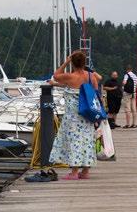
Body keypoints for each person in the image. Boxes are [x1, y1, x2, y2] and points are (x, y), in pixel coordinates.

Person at [49, 51, 98, 180]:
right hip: (87, 114)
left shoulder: (70, 77)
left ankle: (74, 172)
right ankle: (86, 171)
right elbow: (95, 91)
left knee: (74, 141)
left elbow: (56, 75)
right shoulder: (91, 76)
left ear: (73, 63)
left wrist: (66, 61)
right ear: (84, 62)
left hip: (73, 116)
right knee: (87, 141)